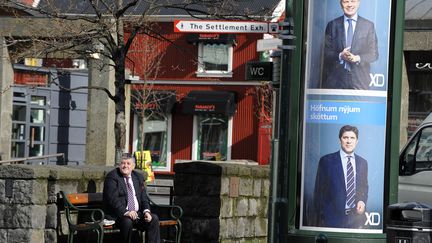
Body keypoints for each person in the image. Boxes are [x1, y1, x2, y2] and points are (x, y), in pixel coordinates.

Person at [313, 125, 368, 228]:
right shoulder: (326, 161)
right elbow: (319, 192)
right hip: (332, 220)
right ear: (340, 140)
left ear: (357, 141)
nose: (349, 141)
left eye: (352, 138)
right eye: (345, 137)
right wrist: (323, 217)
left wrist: (362, 201)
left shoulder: (362, 163)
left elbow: (363, 187)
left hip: (355, 220)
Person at [321, 0, 378, 90]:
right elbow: (325, 52)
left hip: (360, 80)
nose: (349, 4)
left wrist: (357, 58)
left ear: (358, 3)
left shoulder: (368, 26)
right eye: (346, 1)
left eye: (353, 1)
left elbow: (374, 54)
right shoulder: (332, 25)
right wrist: (340, 55)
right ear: (341, 4)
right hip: (336, 80)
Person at [103, 153, 160, 243]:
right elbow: (112, 199)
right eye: (123, 163)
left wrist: (146, 211)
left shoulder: (137, 177)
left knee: (153, 219)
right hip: (119, 215)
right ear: (119, 165)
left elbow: (144, 197)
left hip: (137, 214)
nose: (125, 166)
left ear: (133, 166)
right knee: (127, 222)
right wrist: (127, 212)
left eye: (128, 163)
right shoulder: (112, 177)